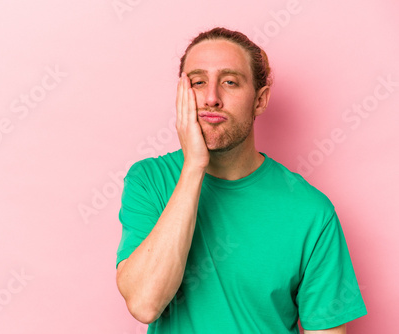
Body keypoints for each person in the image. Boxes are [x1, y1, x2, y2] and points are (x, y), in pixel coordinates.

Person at [115, 27, 367, 333]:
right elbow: (144, 303)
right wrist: (194, 166)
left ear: (260, 100)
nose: (211, 98)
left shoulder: (312, 212)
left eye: (230, 82)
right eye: (198, 82)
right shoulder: (149, 181)